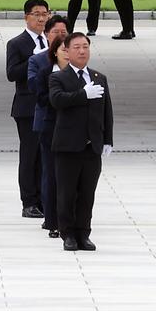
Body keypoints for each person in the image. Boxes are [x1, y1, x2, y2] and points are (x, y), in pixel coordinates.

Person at [49, 32, 113, 252]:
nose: (82, 51)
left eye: (85, 46)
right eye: (77, 47)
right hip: (68, 146)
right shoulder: (58, 77)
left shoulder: (98, 77)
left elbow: (107, 111)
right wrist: (82, 94)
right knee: (66, 193)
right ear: (67, 50)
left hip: (91, 146)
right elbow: (57, 101)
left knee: (87, 194)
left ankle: (84, 233)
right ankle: (68, 234)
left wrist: (107, 140)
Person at [5, 0, 50, 219]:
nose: (42, 18)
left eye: (45, 14)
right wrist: (34, 58)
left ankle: (44, 198)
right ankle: (29, 201)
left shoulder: (52, 41)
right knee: (30, 154)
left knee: (45, 155)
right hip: (27, 107)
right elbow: (11, 73)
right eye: (37, 14)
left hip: (49, 106)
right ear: (26, 17)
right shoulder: (17, 43)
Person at [27, 15, 68, 237]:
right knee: (50, 172)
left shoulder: (76, 60)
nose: (60, 37)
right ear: (46, 34)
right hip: (47, 124)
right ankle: (51, 219)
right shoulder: (39, 61)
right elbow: (35, 89)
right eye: (56, 33)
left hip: (72, 126)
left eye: (64, 33)